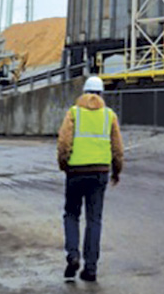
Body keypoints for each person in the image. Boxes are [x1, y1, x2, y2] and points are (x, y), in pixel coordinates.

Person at [57, 75, 123, 283]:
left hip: (75, 172)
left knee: (71, 214)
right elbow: (118, 148)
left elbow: (63, 142)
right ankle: (91, 269)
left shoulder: (73, 113)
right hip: (100, 172)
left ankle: (73, 255)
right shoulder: (109, 115)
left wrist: (64, 165)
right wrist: (117, 171)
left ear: (84, 92)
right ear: (102, 93)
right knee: (94, 220)